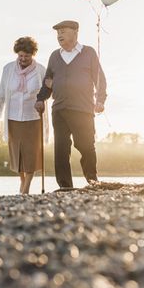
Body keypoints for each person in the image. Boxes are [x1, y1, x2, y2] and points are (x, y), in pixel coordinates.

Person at [34, 20, 107, 189]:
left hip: (82, 109)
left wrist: (100, 100)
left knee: (86, 146)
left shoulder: (88, 52)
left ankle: (92, 181)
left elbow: (100, 79)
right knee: (61, 149)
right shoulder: (55, 56)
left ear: (75, 32)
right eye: (57, 33)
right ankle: (65, 186)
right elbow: (47, 82)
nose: (59, 35)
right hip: (59, 109)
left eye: (63, 31)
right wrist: (40, 99)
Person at [0, 36, 48, 194]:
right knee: (17, 155)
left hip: (33, 118)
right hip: (13, 118)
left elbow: (47, 93)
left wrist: (42, 101)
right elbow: (1, 95)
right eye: (20, 55)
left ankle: (26, 188)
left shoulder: (40, 70)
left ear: (33, 54)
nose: (23, 59)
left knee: (31, 154)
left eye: (27, 56)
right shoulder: (8, 69)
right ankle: (23, 181)